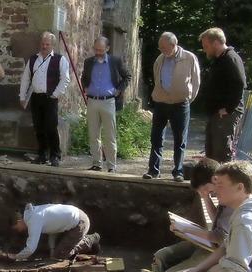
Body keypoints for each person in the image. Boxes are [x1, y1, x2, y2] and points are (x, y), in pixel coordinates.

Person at [140, 158, 232, 272]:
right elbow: (216, 221)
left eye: (205, 189)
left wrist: (189, 230)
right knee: (161, 256)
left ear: (215, 180)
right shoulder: (220, 191)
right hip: (208, 243)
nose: (207, 193)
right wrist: (205, 197)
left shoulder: (230, 195)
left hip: (218, 251)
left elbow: (221, 238)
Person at [143, 32, 200, 181]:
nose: (161, 50)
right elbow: (157, 78)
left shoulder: (189, 58)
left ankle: (178, 172)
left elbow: (196, 82)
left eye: (164, 47)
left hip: (180, 104)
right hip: (161, 103)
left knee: (180, 139)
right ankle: (153, 170)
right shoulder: (159, 59)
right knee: (156, 138)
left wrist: (186, 98)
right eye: (160, 47)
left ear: (173, 45)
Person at [19, 32, 70, 167]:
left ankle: (55, 155)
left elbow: (65, 79)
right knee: (38, 127)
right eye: (43, 43)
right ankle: (42, 155)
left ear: (52, 45)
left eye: (47, 44)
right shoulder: (33, 59)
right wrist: (22, 96)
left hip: (50, 98)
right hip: (36, 97)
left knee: (51, 127)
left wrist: (55, 94)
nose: (44, 46)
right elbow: (26, 78)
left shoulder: (60, 59)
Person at [81, 36, 131, 173]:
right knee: (93, 134)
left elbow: (127, 76)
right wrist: (85, 86)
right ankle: (97, 163)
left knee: (110, 135)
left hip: (108, 101)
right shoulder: (88, 62)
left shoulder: (115, 61)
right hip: (92, 101)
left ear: (107, 48)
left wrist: (118, 90)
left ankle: (111, 166)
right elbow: (84, 77)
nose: (98, 52)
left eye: (101, 50)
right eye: (96, 49)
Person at [199, 28, 247, 163]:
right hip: (216, 112)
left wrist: (228, 109)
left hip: (225, 113)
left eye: (206, 46)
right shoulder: (219, 60)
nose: (204, 50)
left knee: (221, 151)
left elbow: (239, 84)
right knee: (211, 151)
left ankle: (225, 182)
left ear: (215, 43)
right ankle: (214, 181)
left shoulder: (230, 58)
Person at [11, 203, 100, 260]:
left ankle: (90, 239)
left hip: (80, 224)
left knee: (60, 255)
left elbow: (30, 249)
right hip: (75, 219)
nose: (18, 230)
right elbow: (53, 231)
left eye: (16, 228)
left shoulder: (33, 221)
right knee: (55, 253)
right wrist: (52, 250)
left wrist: (15, 257)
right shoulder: (33, 213)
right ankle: (86, 243)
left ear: (19, 221)